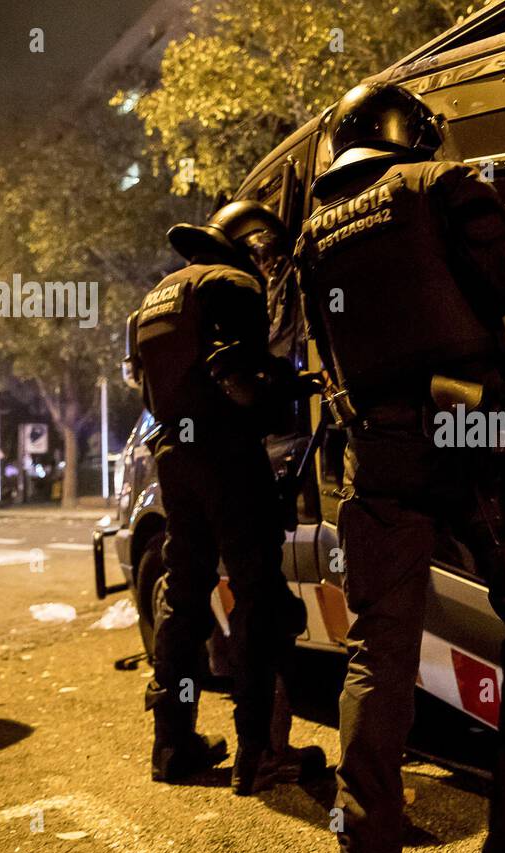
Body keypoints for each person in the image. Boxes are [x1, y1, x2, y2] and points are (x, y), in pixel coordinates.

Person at [295, 81, 505, 853]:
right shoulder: (438, 184)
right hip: (476, 428)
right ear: (410, 132)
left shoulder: (312, 236)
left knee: (378, 650)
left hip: (379, 449)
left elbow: (325, 355)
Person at [136, 200, 320, 795]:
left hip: (174, 456)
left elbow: (148, 392)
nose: (267, 267)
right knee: (257, 597)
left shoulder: (157, 298)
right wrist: (288, 391)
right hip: (227, 455)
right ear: (244, 246)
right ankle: (259, 754)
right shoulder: (232, 283)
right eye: (262, 254)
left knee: (183, 596)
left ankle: (172, 744)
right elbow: (237, 375)